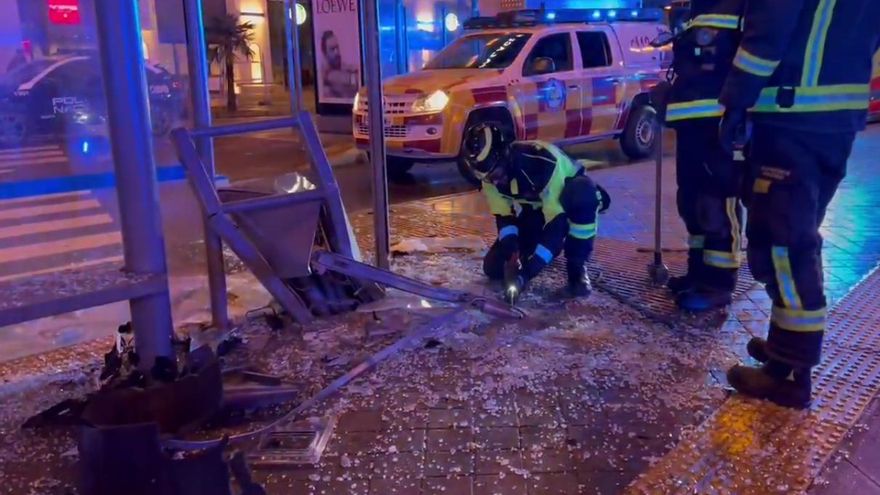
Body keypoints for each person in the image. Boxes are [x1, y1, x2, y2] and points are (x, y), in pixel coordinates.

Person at [720, 0, 880, 408]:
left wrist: (736, 98)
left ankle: (790, 371)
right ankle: (785, 347)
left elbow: (769, 27)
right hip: (832, 117)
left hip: (793, 115)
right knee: (791, 238)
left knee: (784, 246)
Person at [462, 123, 610, 302]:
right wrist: (512, 254)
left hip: (568, 204)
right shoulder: (489, 175)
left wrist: (526, 275)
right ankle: (537, 254)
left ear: (506, 157)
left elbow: (556, 226)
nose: (494, 182)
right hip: (537, 210)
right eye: (487, 178)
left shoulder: (542, 163)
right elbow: (504, 217)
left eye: (496, 173)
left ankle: (577, 270)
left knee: (581, 194)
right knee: (493, 268)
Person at [663, 0, 746, 312]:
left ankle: (719, 284)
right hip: (691, 124)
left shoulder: (739, 7)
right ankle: (698, 273)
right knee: (691, 202)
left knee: (717, 203)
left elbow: (749, 63)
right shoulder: (697, 9)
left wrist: (739, 114)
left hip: (718, 124)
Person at [320, 30, 358, 98]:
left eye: (337, 47)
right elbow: (355, 80)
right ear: (325, 53)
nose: (337, 52)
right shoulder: (326, 76)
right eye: (332, 49)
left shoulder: (345, 67)